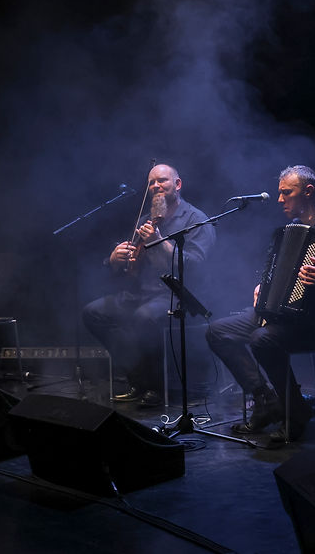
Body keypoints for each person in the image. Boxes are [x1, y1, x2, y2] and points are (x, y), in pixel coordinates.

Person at [205, 165, 315, 443]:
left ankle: (295, 414)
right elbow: (274, 273)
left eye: (286, 193)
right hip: (286, 317)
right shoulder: (287, 231)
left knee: (262, 339)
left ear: (308, 192)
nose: (280, 199)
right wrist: (264, 289)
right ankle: (266, 400)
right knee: (217, 331)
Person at [82, 163, 215, 406]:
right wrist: (115, 260)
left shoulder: (196, 219)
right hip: (142, 293)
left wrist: (159, 241)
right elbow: (128, 270)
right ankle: (139, 379)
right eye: (151, 182)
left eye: (162, 180)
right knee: (94, 312)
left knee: (144, 317)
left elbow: (195, 266)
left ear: (178, 184)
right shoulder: (145, 220)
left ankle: (156, 387)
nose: (155, 186)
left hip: (177, 294)